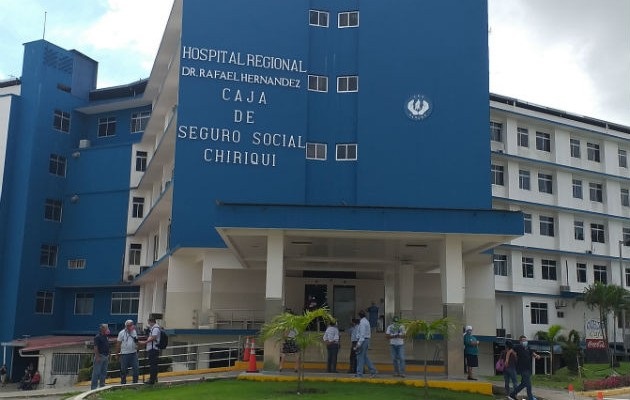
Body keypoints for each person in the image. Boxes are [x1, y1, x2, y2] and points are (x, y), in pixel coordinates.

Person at [509, 335, 541, 400]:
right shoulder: (518, 347)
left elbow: (532, 353)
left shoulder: (528, 348)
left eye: (525, 340)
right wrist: (508, 359)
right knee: (528, 384)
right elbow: (510, 351)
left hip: (528, 369)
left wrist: (537, 355)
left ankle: (512, 395)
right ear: (520, 341)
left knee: (523, 384)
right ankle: (530, 398)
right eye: (523, 340)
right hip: (522, 369)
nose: (525, 341)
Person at [354, 310, 377, 378]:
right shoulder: (365, 321)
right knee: (364, 357)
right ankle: (373, 371)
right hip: (365, 340)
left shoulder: (362, 323)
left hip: (363, 341)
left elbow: (362, 335)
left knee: (360, 357)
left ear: (359, 316)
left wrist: (358, 344)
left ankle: (359, 374)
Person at [116, 319, 139, 384]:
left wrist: (137, 347)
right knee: (123, 370)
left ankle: (135, 383)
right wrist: (117, 354)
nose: (131, 326)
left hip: (133, 353)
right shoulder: (121, 333)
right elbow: (118, 344)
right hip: (124, 354)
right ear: (126, 326)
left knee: (136, 369)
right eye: (129, 325)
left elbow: (136, 340)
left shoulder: (134, 332)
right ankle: (123, 383)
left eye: (132, 325)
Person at [140, 317, 161, 384]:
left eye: (148, 322)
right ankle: (153, 378)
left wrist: (145, 342)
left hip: (153, 349)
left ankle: (152, 379)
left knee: (153, 365)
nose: (148, 324)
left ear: (151, 322)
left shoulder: (155, 328)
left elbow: (153, 337)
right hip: (152, 348)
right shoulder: (154, 328)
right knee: (153, 364)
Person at [91, 323, 111, 390]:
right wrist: (97, 356)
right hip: (100, 356)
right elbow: (95, 347)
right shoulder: (97, 337)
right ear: (102, 329)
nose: (108, 329)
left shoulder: (106, 337)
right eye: (106, 328)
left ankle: (102, 386)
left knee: (104, 372)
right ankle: (93, 388)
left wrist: (109, 354)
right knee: (96, 373)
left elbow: (107, 346)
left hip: (106, 356)